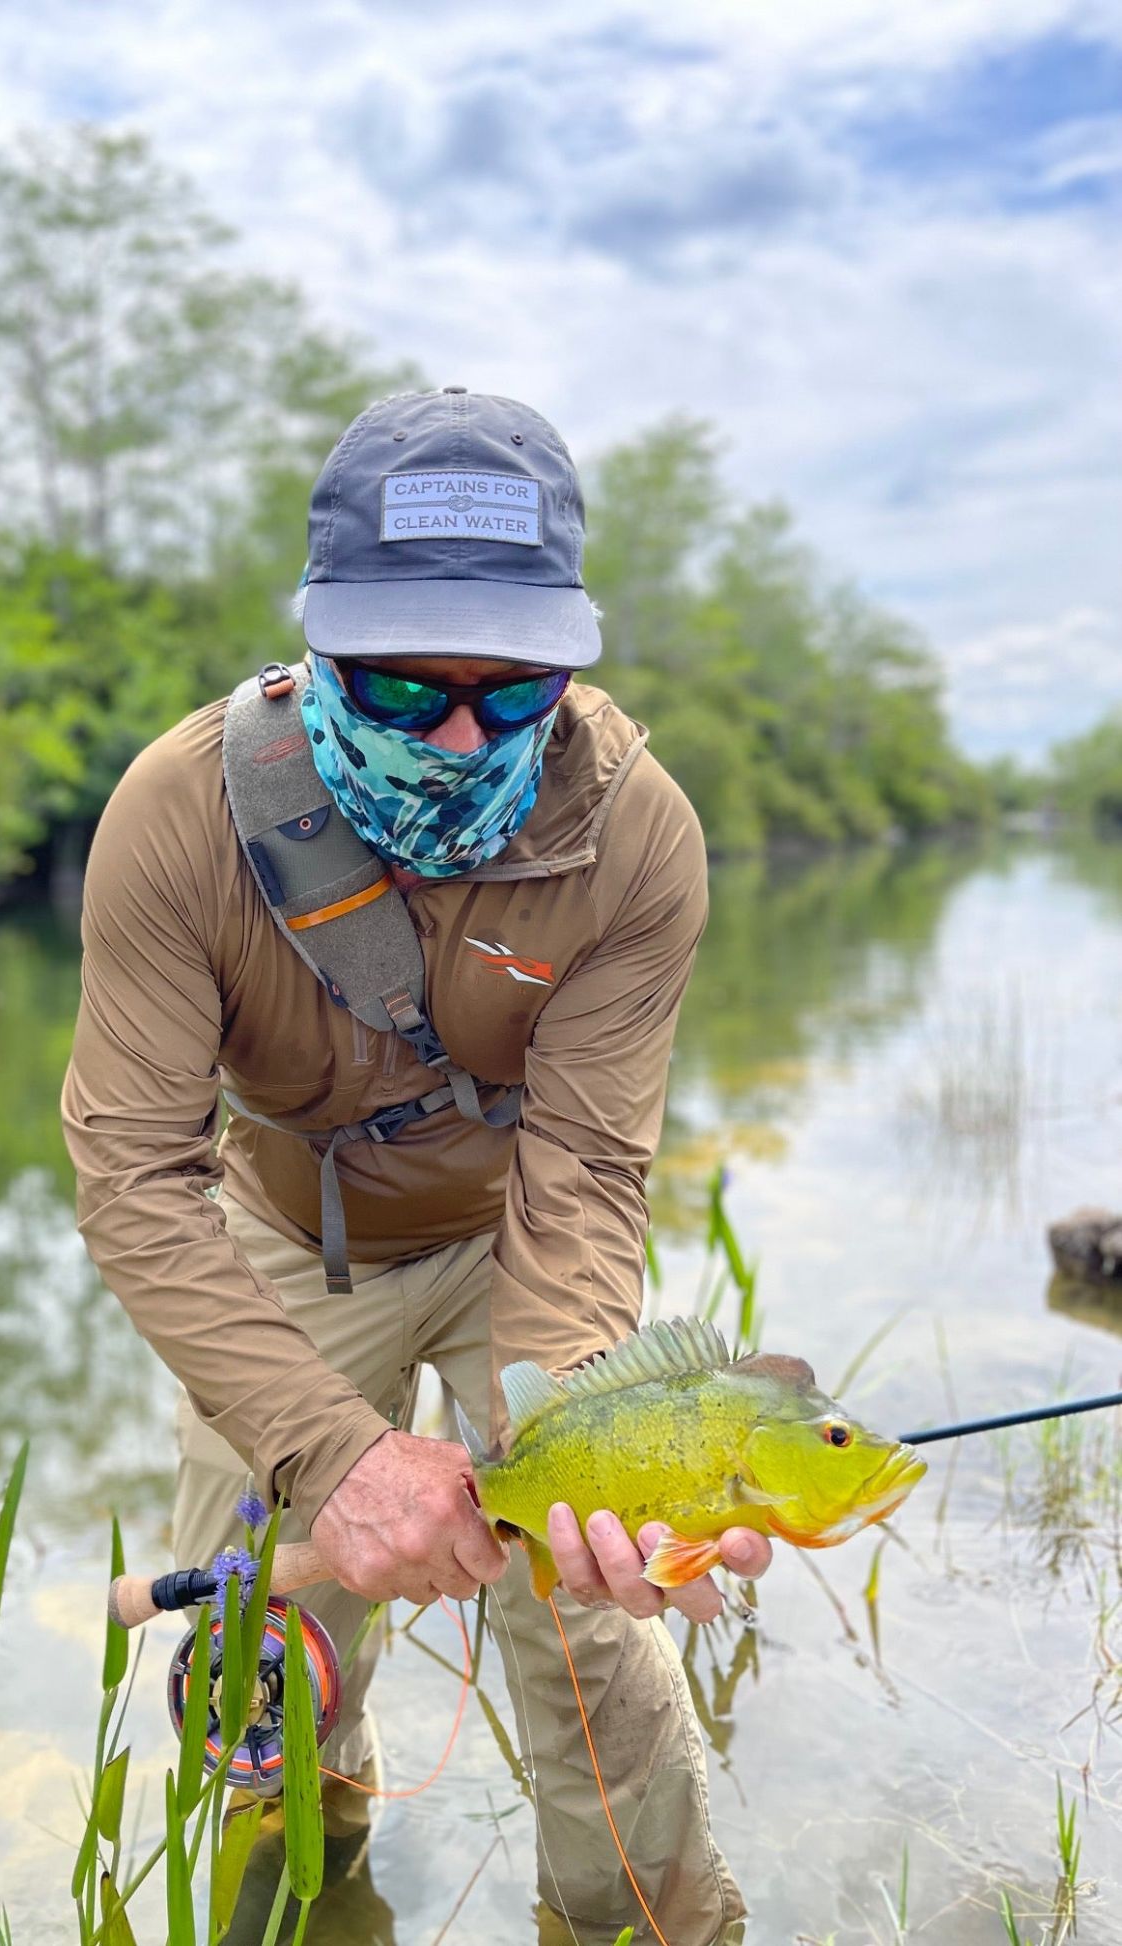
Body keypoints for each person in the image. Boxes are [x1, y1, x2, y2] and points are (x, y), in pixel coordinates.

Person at [61, 386, 770, 1945]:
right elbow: (133, 1179)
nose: (458, 734)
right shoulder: (176, 819)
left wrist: (578, 1438)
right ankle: (306, 1885)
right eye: (401, 685)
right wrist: (340, 1457)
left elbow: (586, 1176)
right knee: (254, 1649)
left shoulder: (641, 839)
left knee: (584, 1613)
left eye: (512, 696)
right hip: (286, 1246)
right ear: (317, 647)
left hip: (524, 1238)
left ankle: (647, 1922)